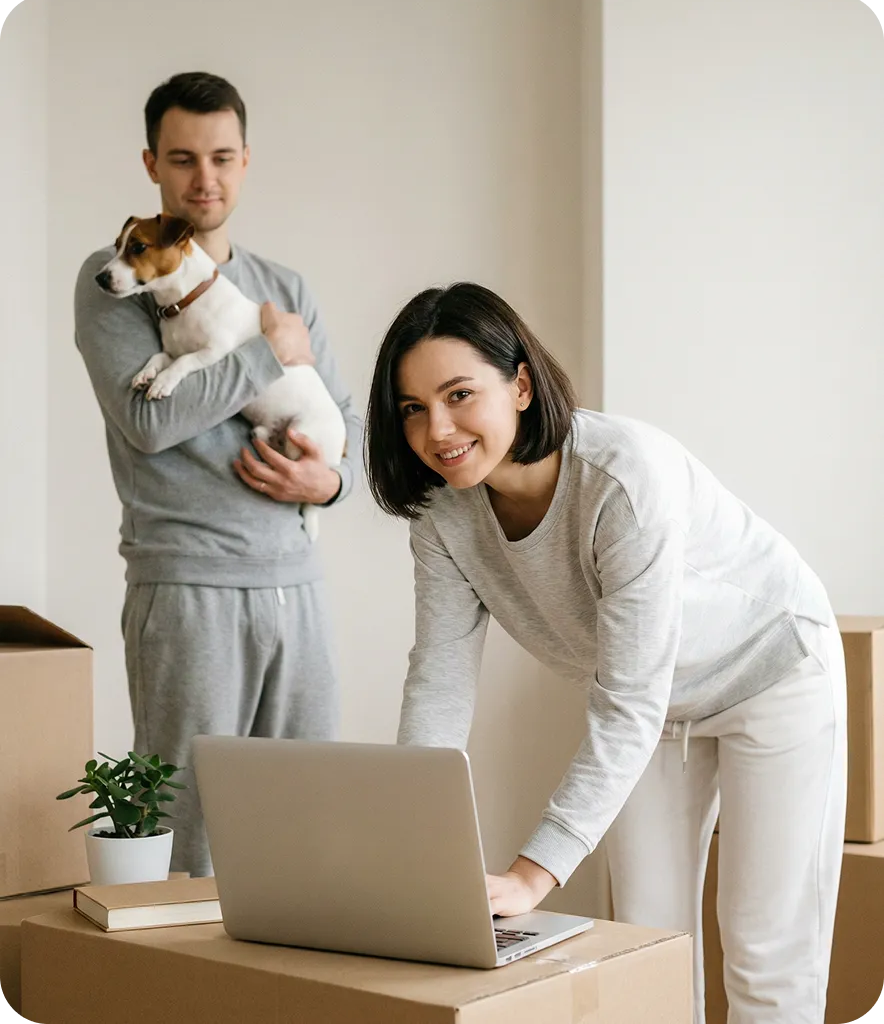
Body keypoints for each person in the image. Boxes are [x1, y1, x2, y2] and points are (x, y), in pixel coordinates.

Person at [363, 281, 846, 1024]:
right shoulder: (443, 513)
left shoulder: (624, 479)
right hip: (652, 710)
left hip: (772, 674)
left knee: (764, 954)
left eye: (460, 394)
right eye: (414, 409)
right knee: (648, 951)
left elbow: (627, 704)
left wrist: (531, 875)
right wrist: (415, 844)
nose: (439, 429)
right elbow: (439, 679)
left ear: (520, 384)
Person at [75, 72, 361, 876]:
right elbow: (149, 421)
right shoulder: (113, 281)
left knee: (306, 836)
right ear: (151, 166)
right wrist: (269, 352)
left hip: (296, 585)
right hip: (189, 584)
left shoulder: (284, 287)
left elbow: (350, 428)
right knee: (187, 843)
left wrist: (329, 485)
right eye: (183, 158)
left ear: (245, 164)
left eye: (223, 157)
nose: (205, 177)